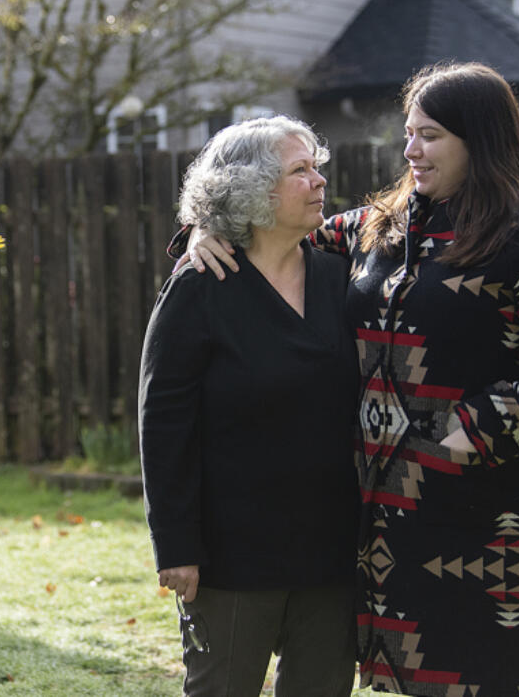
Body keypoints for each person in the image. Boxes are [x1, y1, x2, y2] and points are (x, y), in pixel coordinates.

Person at [179, 62, 519, 696]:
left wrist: (478, 430)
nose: (411, 150)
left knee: (479, 676)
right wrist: (205, 230)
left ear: (480, 138)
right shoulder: (379, 226)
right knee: (412, 672)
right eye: (408, 133)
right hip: (390, 508)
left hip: (491, 507)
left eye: (429, 135)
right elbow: (275, 232)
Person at [140, 116, 361, 697]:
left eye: (317, 167)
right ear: (253, 191)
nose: (319, 181)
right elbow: (163, 423)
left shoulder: (342, 276)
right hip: (232, 553)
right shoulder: (201, 286)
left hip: (332, 549)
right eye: (299, 170)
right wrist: (177, 546)